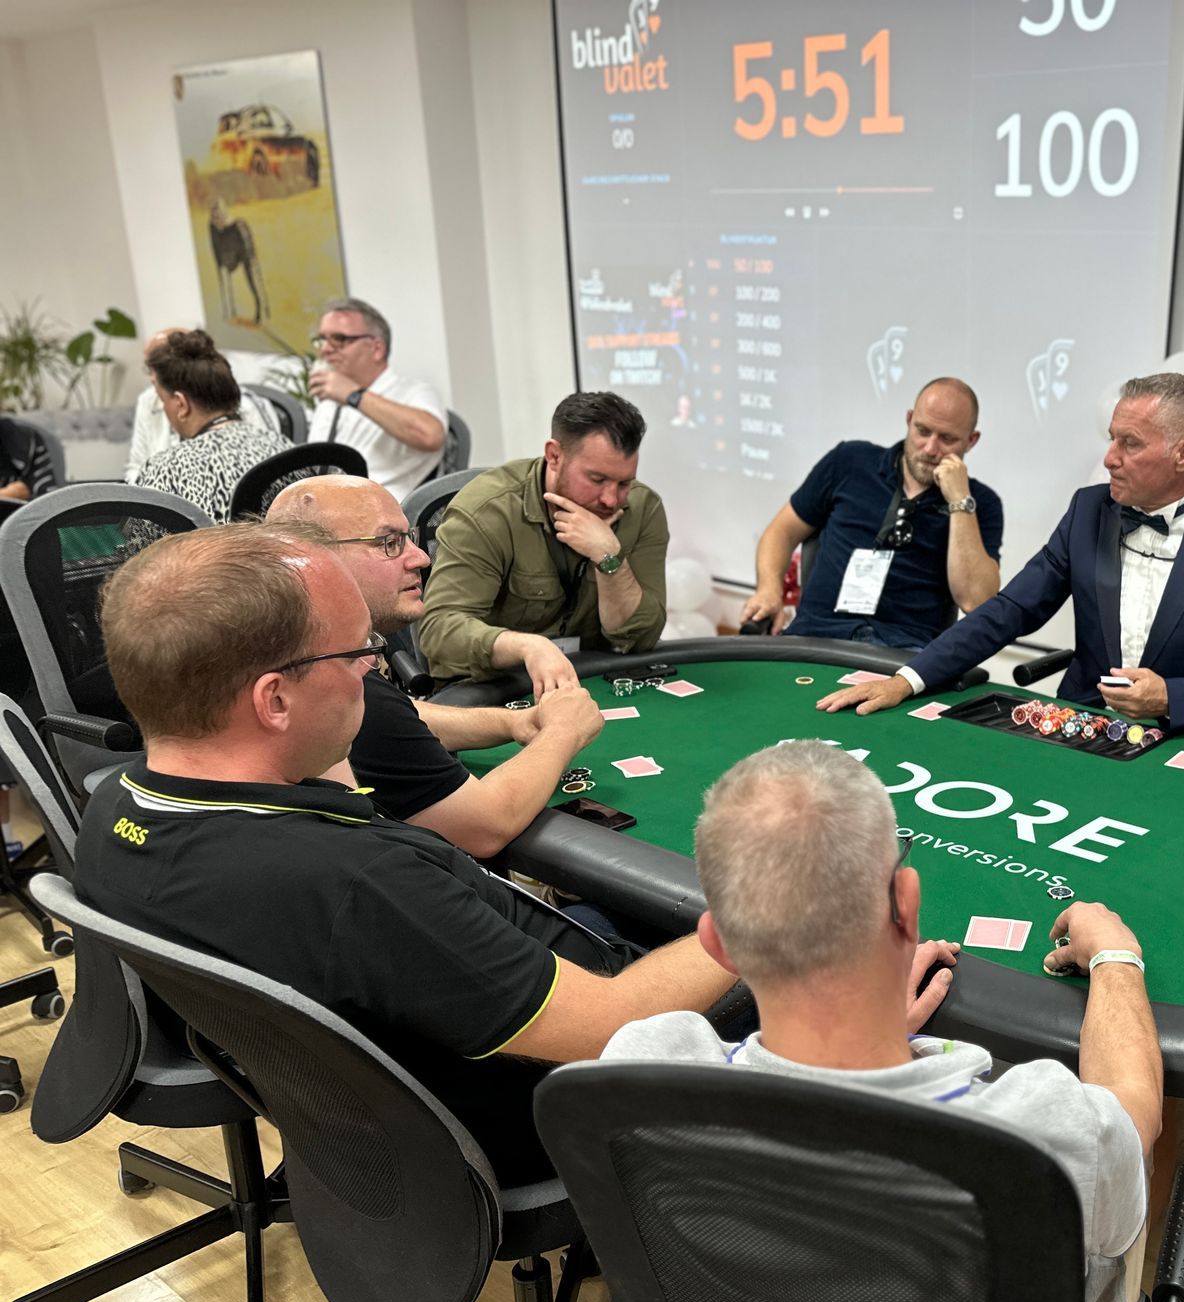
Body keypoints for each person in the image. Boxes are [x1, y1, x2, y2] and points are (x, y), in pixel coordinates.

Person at [77, 523, 735, 1184]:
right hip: (558, 1110)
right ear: (273, 699)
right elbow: (614, 1026)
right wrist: (760, 912)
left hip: (389, 1110)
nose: (372, 668)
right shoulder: (357, 884)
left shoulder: (114, 809)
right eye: (356, 653)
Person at [598, 740, 1161, 1302]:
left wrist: (871, 1027)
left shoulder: (637, 1071)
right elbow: (1135, 1105)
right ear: (907, 902)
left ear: (716, 943)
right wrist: (1116, 959)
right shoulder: (1046, 1131)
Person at [818, 373, 1184, 731]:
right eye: (1111, 438)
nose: (1109, 458)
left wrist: (1173, 696)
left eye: (1130, 444)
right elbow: (1008, 610)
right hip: (1080, 726)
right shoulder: (1089, 510)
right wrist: (907, 679)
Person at [267, 475, 605, 857]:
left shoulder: (297, 648)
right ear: (315, 560)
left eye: (408, 538)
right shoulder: (335, 682)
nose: (421, 558)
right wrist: (563, 730)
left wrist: (514, 723)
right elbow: (485, 826)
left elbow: (396, 719)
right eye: (390, 543)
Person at [417, 391, 668, 691]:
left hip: (592, 680)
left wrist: (608, 557)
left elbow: (642, 639)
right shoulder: (487, 511)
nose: (611, 499)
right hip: (493, 686)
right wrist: (527, 647)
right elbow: (440, 631)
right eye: (597, 479)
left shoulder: (642, 508)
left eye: (624, 483)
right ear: (554, 456)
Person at [738, 377, 1004, 650]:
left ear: (971, 441)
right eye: (922, 431)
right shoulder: (849, 461)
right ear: (909, 420)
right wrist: (769, 590)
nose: (930, 448)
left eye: (947, 439)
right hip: (815, 636)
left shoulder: (981, 503)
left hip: (903, 652)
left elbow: (976, 601)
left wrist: (959, 501)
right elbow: (781, 532)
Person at [131, 329, 290, 521]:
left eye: (163, 400)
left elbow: (138, 537)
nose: (164, 408)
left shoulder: (166, 470)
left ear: (181, 404)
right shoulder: (284, 449)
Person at [306, 297, 447, 502]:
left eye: (339, 339)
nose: (325, 349)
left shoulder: (414, 392)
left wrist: (353, 395)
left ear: (377, 349)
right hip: (324, 506)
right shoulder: (330, 400)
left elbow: (430, 435)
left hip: (380, 512)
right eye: (323, 339)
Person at [124, 325, 278, 481]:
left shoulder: (166, 472)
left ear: (181, 404)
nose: (152, 377)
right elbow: (136, 466)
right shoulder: (278, 445)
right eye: (148, 368)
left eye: (155, 368)